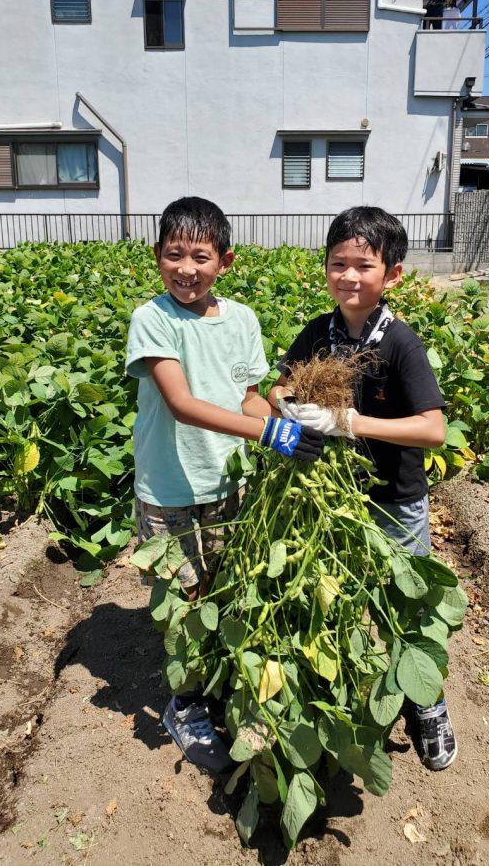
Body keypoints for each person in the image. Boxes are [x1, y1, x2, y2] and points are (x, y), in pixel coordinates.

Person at [125, 196, 324, 774]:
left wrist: (281, 421)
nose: (186, 268)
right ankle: (184, 705)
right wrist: (268, 435)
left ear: (226, 261)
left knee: (220, 591)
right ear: (157, 256)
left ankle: (215, 684)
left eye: (201, 256)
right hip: (167, 488)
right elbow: (183, 405)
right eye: (173, 254)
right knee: (181, 602)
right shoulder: (153, 319)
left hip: (227, 483)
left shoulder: (242, 320)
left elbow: (247, 395)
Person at [268, 205, 457, 772]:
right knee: (340, 599)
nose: (349, 276)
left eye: (364, 265)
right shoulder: (319, 333)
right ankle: (344, 695)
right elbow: (277, 389)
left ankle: (428, 704)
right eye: (338, 263)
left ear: (392, 274)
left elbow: (434, 429)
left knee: (406, 605)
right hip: (330, 498)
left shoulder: (400, 343)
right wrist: (292, 406)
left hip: (395, 501)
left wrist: (353, 423)